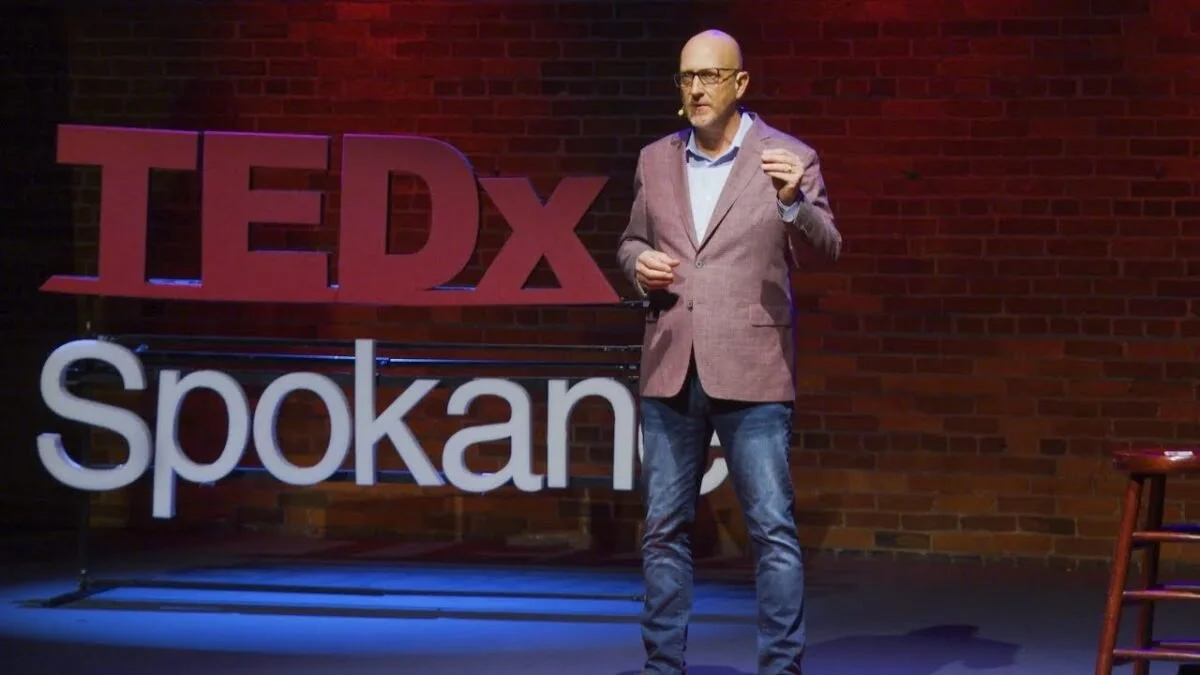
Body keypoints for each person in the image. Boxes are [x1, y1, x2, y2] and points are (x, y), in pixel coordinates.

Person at [615, 29, 843, 675]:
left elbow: (828, 246)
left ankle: (781, 667)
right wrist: (640, 265)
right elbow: (630, 241)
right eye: (687, 78)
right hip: (670, 360)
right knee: (662, 529)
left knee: (771, 530)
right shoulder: (655, 159)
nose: (696, 89)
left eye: (711, 76)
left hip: (752, 365)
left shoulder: (788, 157)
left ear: (740, 84)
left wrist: (794, 201)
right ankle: (663, 665)